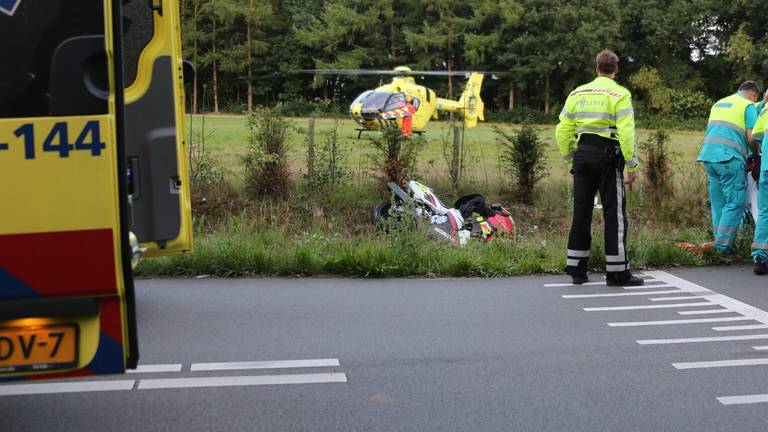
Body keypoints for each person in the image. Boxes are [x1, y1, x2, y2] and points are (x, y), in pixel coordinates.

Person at [556, 49, 643, 286]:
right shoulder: (619, 93)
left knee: (581, 213)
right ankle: (617, 272)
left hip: (582, 154)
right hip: (608, 156)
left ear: (596, 67)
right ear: (616, 69)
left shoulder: (577, 92)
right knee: (614, 215)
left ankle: (577, 270)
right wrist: (632, 164)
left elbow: (562, 129)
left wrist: (569, 159)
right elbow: (626, 132)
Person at [698, 81, 761, 254]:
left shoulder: (720, 103)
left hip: (709, 157)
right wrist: (756, 153)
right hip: (729, 158)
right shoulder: (748, 105)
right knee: (735, 202)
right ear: (753, 95)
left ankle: (718, 244)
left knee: (719, 202)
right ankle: (722, 247)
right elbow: (751, 138)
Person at [750, 92, 768, 274]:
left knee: (764, 212)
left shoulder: (766, 109)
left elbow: (756, 135)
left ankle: (760, 257)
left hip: (767, 168)